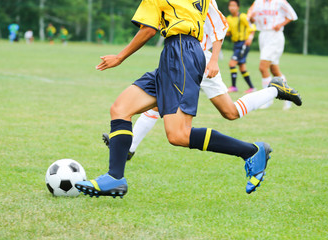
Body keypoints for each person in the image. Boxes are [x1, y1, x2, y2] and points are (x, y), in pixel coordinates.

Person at [75, 0, 287, 199]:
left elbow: (148, 29)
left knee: (179, 134)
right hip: (178, 52)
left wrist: (120, 57)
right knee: (120, 109)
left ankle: (252, 151)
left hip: (181, 52)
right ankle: (114, 178)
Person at [102, 0, 302, 163]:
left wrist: (214, 60)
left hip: (198, 59)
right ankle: (274, 90)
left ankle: (128, 147)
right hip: (185, 57)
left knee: (167, 107)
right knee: (229, 112)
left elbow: (220, 26)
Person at [247, 0, 298, 109]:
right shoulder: (258, 2)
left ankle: (267, 99)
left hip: (275, 36)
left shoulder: (280, 2)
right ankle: (289, 96)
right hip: (263, 35)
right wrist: (251, 18)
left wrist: (280, 24)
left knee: (262, 67)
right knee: (274, 70)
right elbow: (251, 18)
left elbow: (292, 15)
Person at [226, 0, 256, 93]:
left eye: (234, 5)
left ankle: (234, 86)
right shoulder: (229, 18)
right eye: (230, 6)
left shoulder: (242, 17)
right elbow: (229, 32)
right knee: (242, 67)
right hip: (236, 44)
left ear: (238, 7)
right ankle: (251, 87)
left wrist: (250, 38)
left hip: (243, 43)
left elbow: (252, 27)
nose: (232, 7)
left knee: (232, 63)